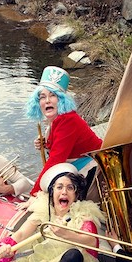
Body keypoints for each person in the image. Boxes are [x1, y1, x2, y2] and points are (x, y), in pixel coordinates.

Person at [26, 66, 102, 196]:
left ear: (62, 100)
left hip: (91, 170)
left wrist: (35, 195)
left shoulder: (68, 120)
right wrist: (46, 143)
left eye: (52, 95)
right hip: (77, 168)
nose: (47, 100)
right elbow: (63, 144)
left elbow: (56, 159)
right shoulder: (56, 119)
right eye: (42, 97)